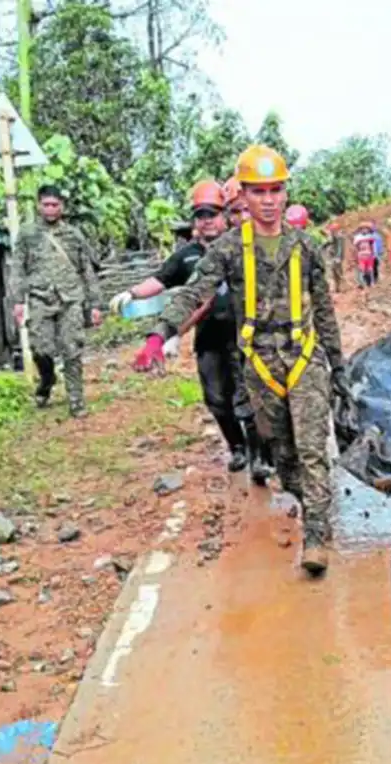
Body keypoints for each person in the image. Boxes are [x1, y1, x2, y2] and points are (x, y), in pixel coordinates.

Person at [136, 145, 348, 576]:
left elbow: (324, 310)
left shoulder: (306, 246)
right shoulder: (228, 249)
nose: (268, 200)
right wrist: (160, 333)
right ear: (244, 198)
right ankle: (307, 499)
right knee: (284, 454)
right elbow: (194, 292)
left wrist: (339, 368)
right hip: (259, 365)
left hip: (304, 357)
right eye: (258, 192)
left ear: (285, 193)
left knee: (311, 448)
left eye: (276, 190)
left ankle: (318, 536)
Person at [114, 181, 272, 482]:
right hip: (209, 339)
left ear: (224, 215)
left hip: (245, 337)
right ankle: (237, 447)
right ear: (194, 220)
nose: (206, 219)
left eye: (212, 213)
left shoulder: (242, 246)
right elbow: (161, 281)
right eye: (200, 214)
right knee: (216, 399)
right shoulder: (187, 256)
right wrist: (132, 294)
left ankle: (259, 457)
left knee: (250, 398)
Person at [10, 185, 101, 418]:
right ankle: (47, 379)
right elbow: (18, 268)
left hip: (71, 298)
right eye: (46, 204)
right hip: (40, 298)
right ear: (38, 205)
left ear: (62, 207)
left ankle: (76, 400)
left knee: (72, 349)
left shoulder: (74, 234)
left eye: (55, 205)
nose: (50, 209)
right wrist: (18, 300)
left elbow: (86, 270)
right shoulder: (27, 234)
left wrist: (95, 304)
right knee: (40, 349)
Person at [352, 223, 377, 288]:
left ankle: (372, 282)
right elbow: (355, 248)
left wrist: (373, 253)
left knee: (370, 270)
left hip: (369, 255)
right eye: (363, 228)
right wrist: (355, 256)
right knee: (362, 270)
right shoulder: (357, 237)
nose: (365, 230)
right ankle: (363, 284)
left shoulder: (370, 237)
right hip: (361, 256)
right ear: (360, 230)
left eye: (366, 228)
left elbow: (372, 246)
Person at [322, 221, 345, 293]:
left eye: (334, 230)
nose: (333, 232)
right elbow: (322, 230)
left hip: (336, 258)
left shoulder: (340, 237)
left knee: (337, 273)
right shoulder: (329, 235)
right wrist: (327, 223)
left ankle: (338, 287)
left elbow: (340, 248)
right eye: (332, 231)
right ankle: (331, 288)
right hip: (329, 257)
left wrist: (338, 257)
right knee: (329, 273)